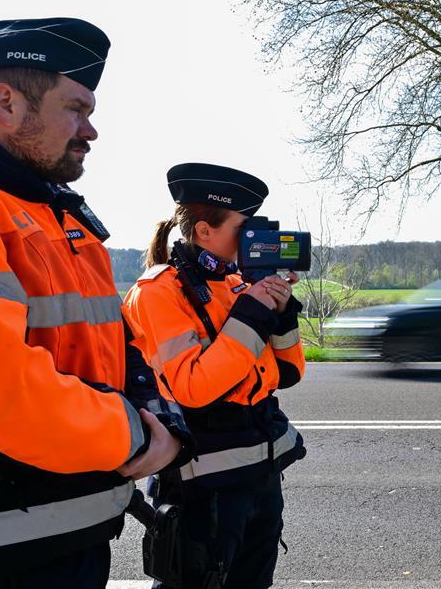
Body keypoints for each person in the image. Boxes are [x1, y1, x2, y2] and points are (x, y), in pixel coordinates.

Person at [0, 18, 189, 589]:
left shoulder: (62, 214)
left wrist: (158, 403)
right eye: (75, 109)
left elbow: (118, 342)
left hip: (73, 534)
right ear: (6, 104)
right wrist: (143, 436)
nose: (91, 130)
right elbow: (4, 387)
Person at [122, 162, 307, 589]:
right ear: (204, 231)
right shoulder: (158, 293)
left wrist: (279, 313)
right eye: (245, 228)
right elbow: (194, 388)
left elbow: (289, 373)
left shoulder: (240, 284)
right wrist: (252, 314)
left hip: (259, 478)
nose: (255, 238)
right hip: (203, 490)